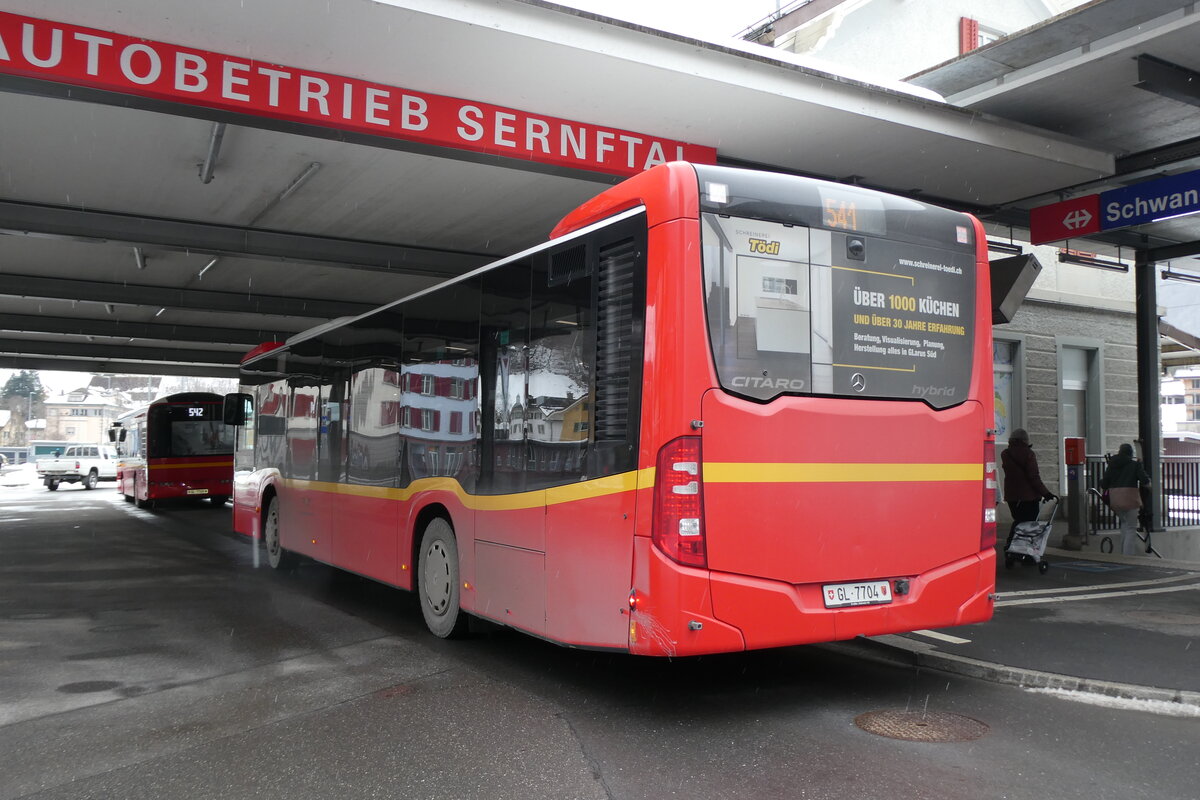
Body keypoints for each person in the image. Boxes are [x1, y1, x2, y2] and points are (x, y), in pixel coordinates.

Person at [1000, 429, 1055, 548]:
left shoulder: (1005, 454)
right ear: (1025, 440)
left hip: (1011, 496)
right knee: (1029, 524)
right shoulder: (1029, 454)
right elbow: (1034, 477)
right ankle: (1023, 549)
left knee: (1018, 521)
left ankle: (1012, 547)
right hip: (1028, 497)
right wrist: (1046, 493)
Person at [1100, 443, 1151, 556]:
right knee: (1131, 528)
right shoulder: (1135, 465)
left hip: (1115, 499)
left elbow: (1104, 484)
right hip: (1130, 499)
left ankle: (1123, 553)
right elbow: (1145, 481)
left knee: (1124, 524)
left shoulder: (1112, 464)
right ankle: (1128, 555)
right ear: (1130, 454)